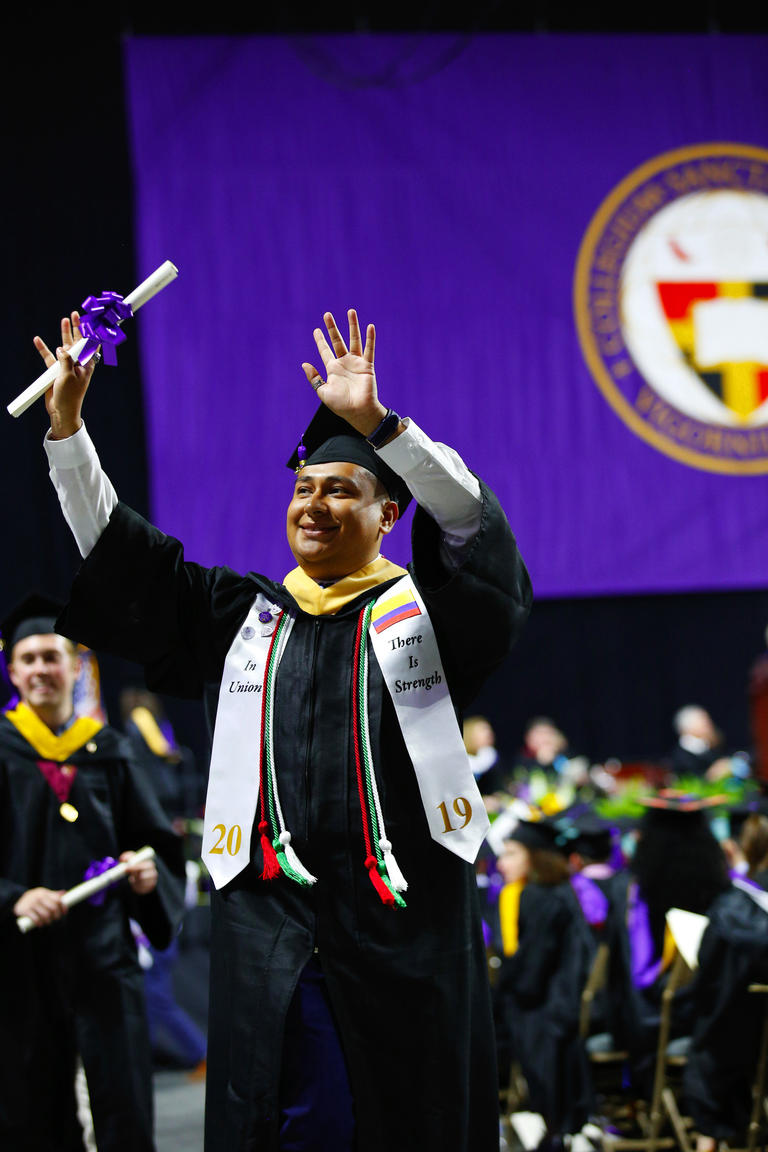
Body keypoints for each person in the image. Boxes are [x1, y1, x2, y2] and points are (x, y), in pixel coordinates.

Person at [35, 307, 533, 1152]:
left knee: (408, 1122)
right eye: (304, 487)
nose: (314, 503)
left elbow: (474, 532)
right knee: (289, 1121)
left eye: (342, 487)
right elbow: (123, 559)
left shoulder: (429, 620)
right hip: (272, 927)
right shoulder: (245, 616)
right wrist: (71, 431)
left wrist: (383, 428)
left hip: (404, 927)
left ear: (387, 516)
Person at [0, 594, 185, 1152]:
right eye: (28, 659)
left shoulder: (110, 751)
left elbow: (154, 844)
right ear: (12, 670)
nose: (40, 670)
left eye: (51, 658)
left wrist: (149, 877)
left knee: (124, 1101)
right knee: (30, 1106)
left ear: (74, 665)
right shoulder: (3, 750)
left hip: (104, 959)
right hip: (21, 967)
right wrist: (12, 896)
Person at [493, 820, 595, 1149]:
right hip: (562, 1006)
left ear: (534, 857)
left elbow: (532, 970)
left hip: (545, 1012)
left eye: (510, 853)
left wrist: (500, 987)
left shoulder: (538, 897)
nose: (501, 863)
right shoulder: (561, 891)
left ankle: (550, 1133)